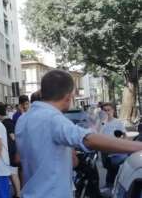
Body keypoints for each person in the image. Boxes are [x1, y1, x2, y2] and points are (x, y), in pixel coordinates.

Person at [16, 69, 142, 197]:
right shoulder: (53, 119)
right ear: (68, 96)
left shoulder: (23, 119)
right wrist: (138, 146)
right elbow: (88, 139)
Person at [0, 103, 21, 198]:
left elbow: (13, 138)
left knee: (13, 173)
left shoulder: (7, 123)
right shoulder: (8, 121)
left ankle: (18, 194)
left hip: (11, 152)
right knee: (13, 173)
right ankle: (17, 193)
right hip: (11, 151)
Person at [100, 102, 127, 188]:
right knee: (109, 170)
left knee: (116, 171)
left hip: (116, 153)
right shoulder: (101, 123)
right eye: (105, 110)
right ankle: (109, 187)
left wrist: (121, 144)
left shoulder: (118, 122)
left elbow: (124, 135)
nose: (107, 112)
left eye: (109, 110)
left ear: (113, 111)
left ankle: (114, 188)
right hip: (105, 152)